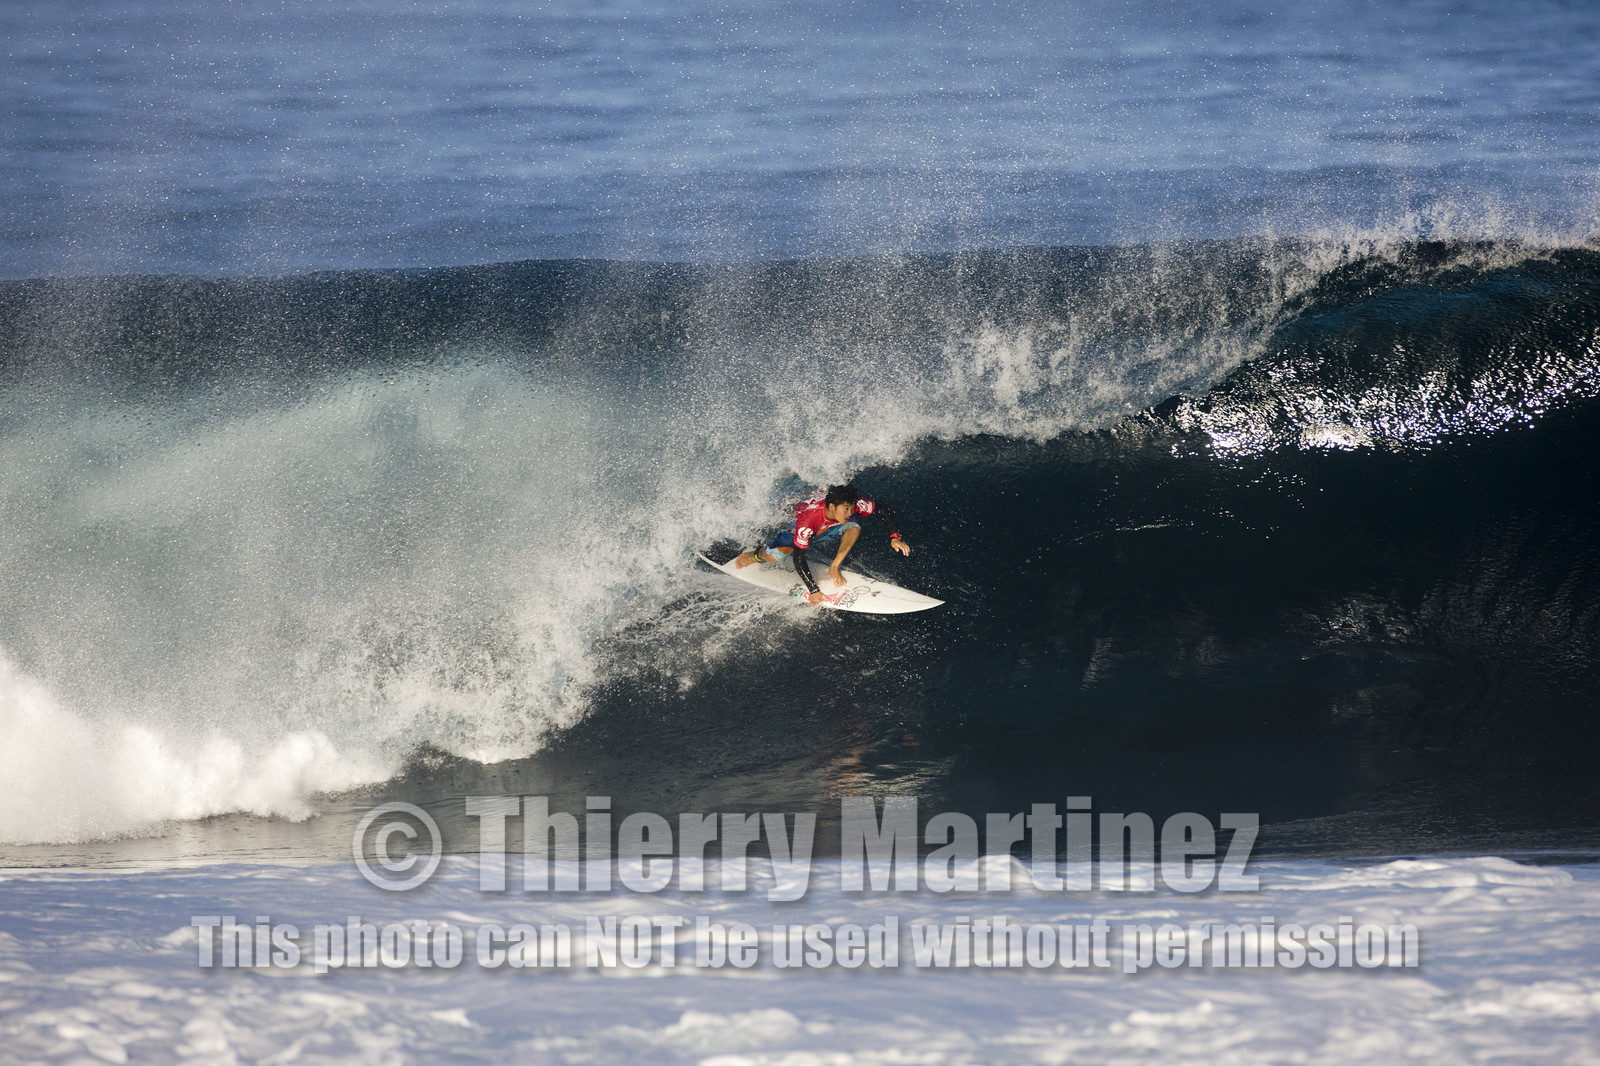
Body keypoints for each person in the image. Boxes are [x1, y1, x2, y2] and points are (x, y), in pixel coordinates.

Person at [734, 484, 911, 605]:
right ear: (832, 506)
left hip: (826, 528)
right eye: (845, 509)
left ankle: (834, 567)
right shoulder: (808, 521)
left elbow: (881, 510)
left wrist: (894, 537)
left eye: (851, 508)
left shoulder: (852, 506)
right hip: (797, 527)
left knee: (854, 525)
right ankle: (755, 555)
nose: (849, 512)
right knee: (777, 556)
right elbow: (799, 558)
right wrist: (813, 590)